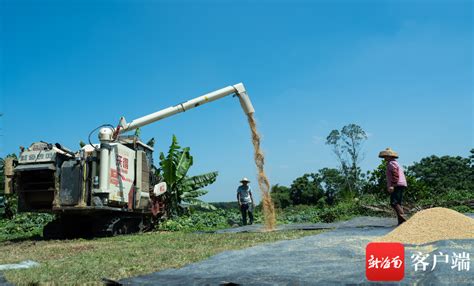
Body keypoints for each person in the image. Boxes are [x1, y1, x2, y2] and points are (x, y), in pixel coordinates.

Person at [378, 147, 408, 225]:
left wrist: (392, 186)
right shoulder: (394, 163)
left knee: (394, 203)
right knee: (398, 203)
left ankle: (404, 219)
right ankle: (401, 222)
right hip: (400, 184)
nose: (384, 158)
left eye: (386, 156)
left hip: (397, 185)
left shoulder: (391, 163)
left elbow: (395, 175)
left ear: (390, 156)